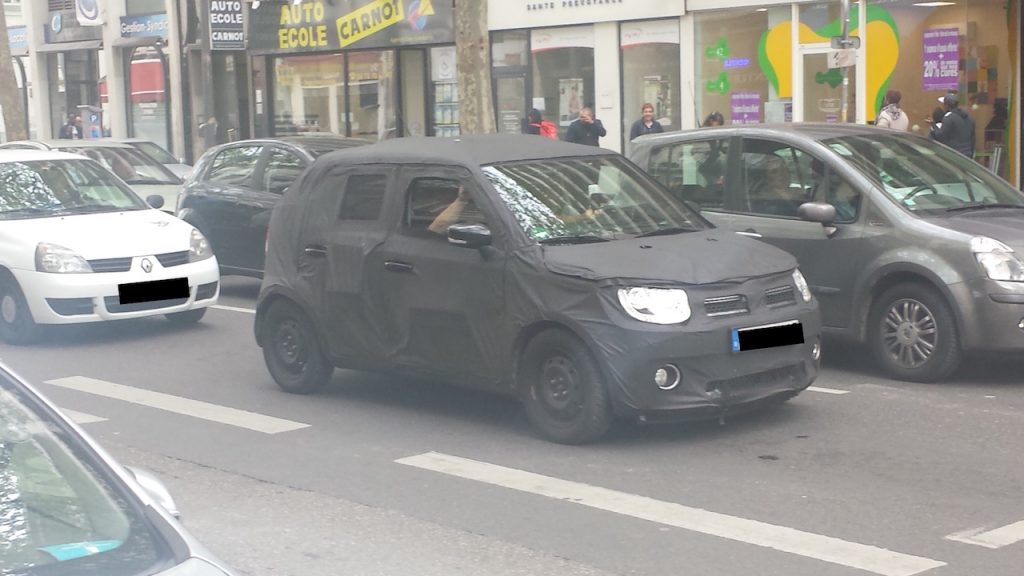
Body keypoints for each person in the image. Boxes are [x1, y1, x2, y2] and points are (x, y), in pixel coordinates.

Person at [930, 93, 976, 158]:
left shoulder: (948, 118)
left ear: (947, 105)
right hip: (968, 156)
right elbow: (973, 139)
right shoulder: (969, 118)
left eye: (944, 104)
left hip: (955, 155)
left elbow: (941, 137)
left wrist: (933, 126)